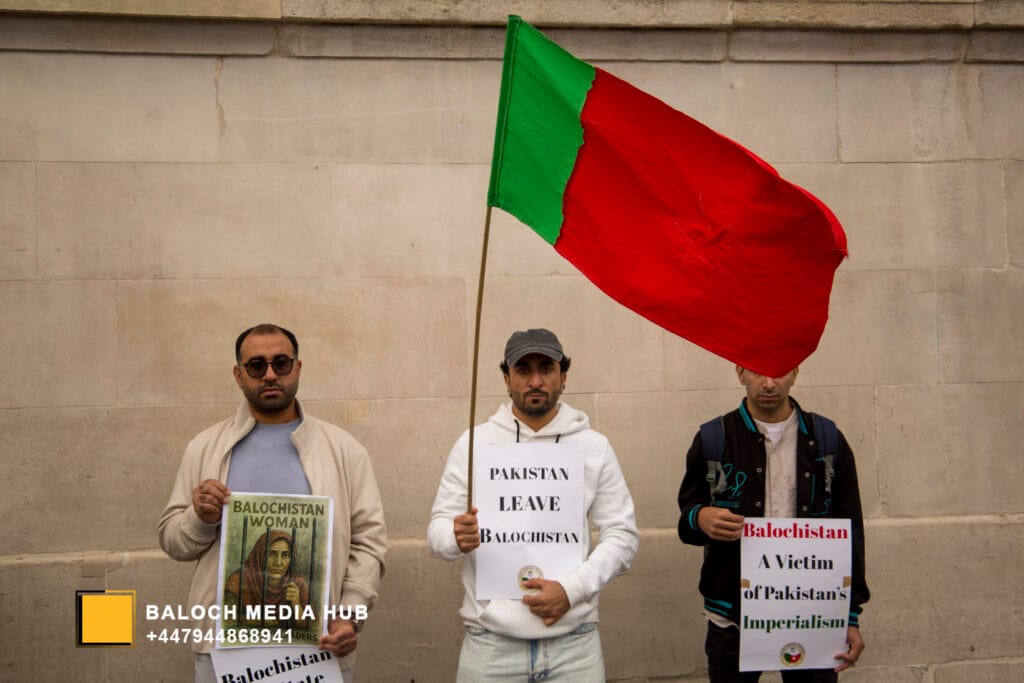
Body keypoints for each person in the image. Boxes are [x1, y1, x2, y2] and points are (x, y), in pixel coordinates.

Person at [158, 324, 386, 683]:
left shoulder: (345, 451)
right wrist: (199, 518)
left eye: (281, 363)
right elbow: (173, 541)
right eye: (256, 366)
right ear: (238, 374)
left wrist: (350, 614)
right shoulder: (204, 448)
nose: (269, 375)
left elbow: (368, 543)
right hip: (225, 652)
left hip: (316, 651)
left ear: (297, 368)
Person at [428, 328, 639, 681]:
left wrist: (571, 591)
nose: (535, 380)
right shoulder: (474, 443)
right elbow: (437, 534)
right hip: (491, 647)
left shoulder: (593, 445)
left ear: (564, 376)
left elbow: (622, 535)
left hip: (574, 647)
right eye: (523, 370)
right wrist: (455, 537)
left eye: (546, 368)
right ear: (507, 378)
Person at [676, 366, 869, 682]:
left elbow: (851, 533)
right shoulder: (714, 438)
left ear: (795, 373)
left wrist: (850, 615)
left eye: (779, 372)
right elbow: (687, 521)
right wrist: (700, 517)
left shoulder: (827, 440)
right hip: (731, 615)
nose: (768, 383)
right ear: (740, 373)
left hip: (813, 614)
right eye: (757, 372)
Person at [223, 529, 311, 629]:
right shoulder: (238, 581)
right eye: (271, 554)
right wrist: (257, 620)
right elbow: (226, 620)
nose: (278, 562)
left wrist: (296, 604)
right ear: (260, 555)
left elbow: (312, 626)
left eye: (285, 555)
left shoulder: (297, 584)